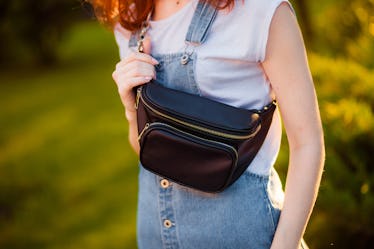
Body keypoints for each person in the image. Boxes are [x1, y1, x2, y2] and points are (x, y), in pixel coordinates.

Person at [89, 0, 325, 248]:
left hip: (243, 235)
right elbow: (145, 149)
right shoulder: (131, 17)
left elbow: (307, 142)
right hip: (153, 236)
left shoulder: (260, 10)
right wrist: (130, 109)